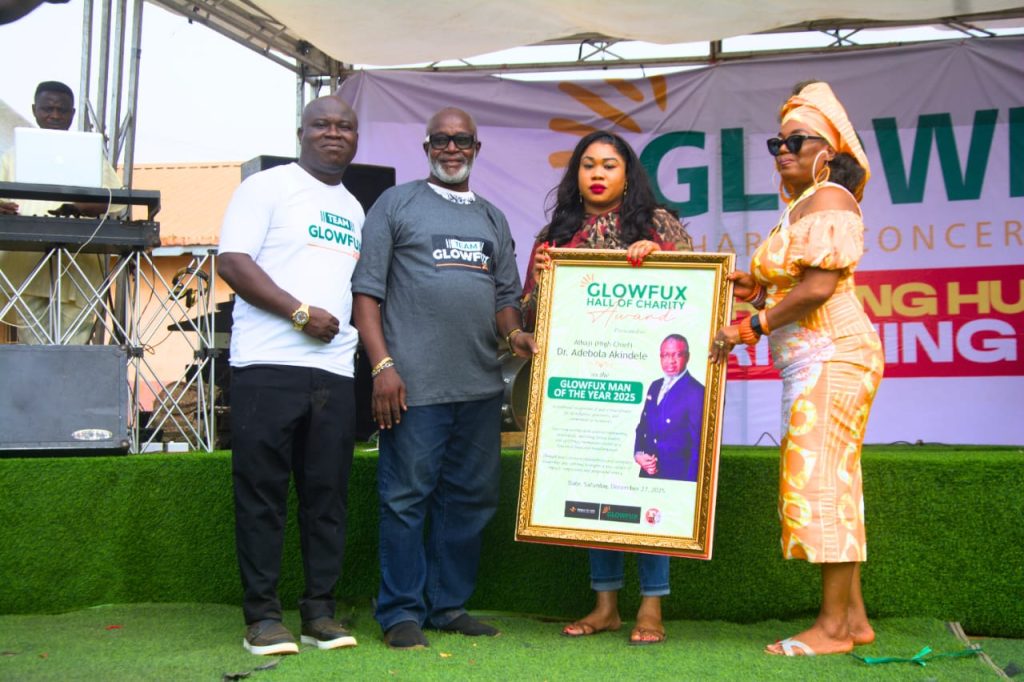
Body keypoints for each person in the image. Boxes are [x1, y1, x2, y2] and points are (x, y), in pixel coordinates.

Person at [709, 81, 884, 656]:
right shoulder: (804, 204)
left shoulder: (830, 199)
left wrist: (752, 326)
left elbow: (818, 288)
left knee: (822, 483)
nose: (782, 151)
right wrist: (754, 292)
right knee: (829, 480)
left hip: (833, 355)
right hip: (815, 359)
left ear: (827, 152)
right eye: (777, 143)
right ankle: (853, 620)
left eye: (796, 141)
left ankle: (832, 629)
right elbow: (794, 285)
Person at [351, 107, 536, 650]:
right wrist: (382, 367)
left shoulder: (492, 218)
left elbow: (505, 298)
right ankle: (400, 613)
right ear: (426, 147)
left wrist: (515, 334)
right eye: (441, 140)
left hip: (480, 387)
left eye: (461, 140)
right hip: (413, 387)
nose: (451, 148)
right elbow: (366, 295)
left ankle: (447, 605)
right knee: (406, 499)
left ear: (476, 148)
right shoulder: (396, 204)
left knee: (471, 500)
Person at [523, 130, 693, 646]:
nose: (597, 174)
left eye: (609, 165)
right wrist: (541, 279)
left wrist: (660, 259)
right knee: (595, 488)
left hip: (649, 386)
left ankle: (651, 608)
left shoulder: (657, 225)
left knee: (650, 487)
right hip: (590, 391)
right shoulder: (556, 235)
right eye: (588, 165)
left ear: (627, 174)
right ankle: (605, 607)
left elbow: (695, 297)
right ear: (576, 174)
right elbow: (532, 320)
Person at [216, 95, 364, 656]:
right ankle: (262, 617)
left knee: (327, 497)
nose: (334, 133)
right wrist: (299, 313)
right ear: (301, 132)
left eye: (345, 126)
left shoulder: (354, 208)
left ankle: (319, 613)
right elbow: (233, 262)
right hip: (267, 366)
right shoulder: (267, 187)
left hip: (333, 371)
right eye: (322, 124)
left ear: (356, 138)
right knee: (263, 495)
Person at [0, 80, 122, 344]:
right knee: (35, 348)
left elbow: (114, 200)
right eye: (47, 109)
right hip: (25, 263)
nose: (54, 115)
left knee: (73, 348)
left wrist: (77, 208)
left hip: (79, 264)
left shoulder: (90, 156)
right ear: (34, 110)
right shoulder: (12, 155)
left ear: (72, 114)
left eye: (62, 110)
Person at [634, 334, 704, 482]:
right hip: (648, 476)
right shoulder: (654, 386)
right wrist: (638, 454)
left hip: (677, 478)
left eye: (677, 355)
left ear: (687, 357)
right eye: (665, 355)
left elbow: (698, 447)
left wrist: (689, 487)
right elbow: (643, 427)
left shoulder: (697, 392)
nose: (671, 361)